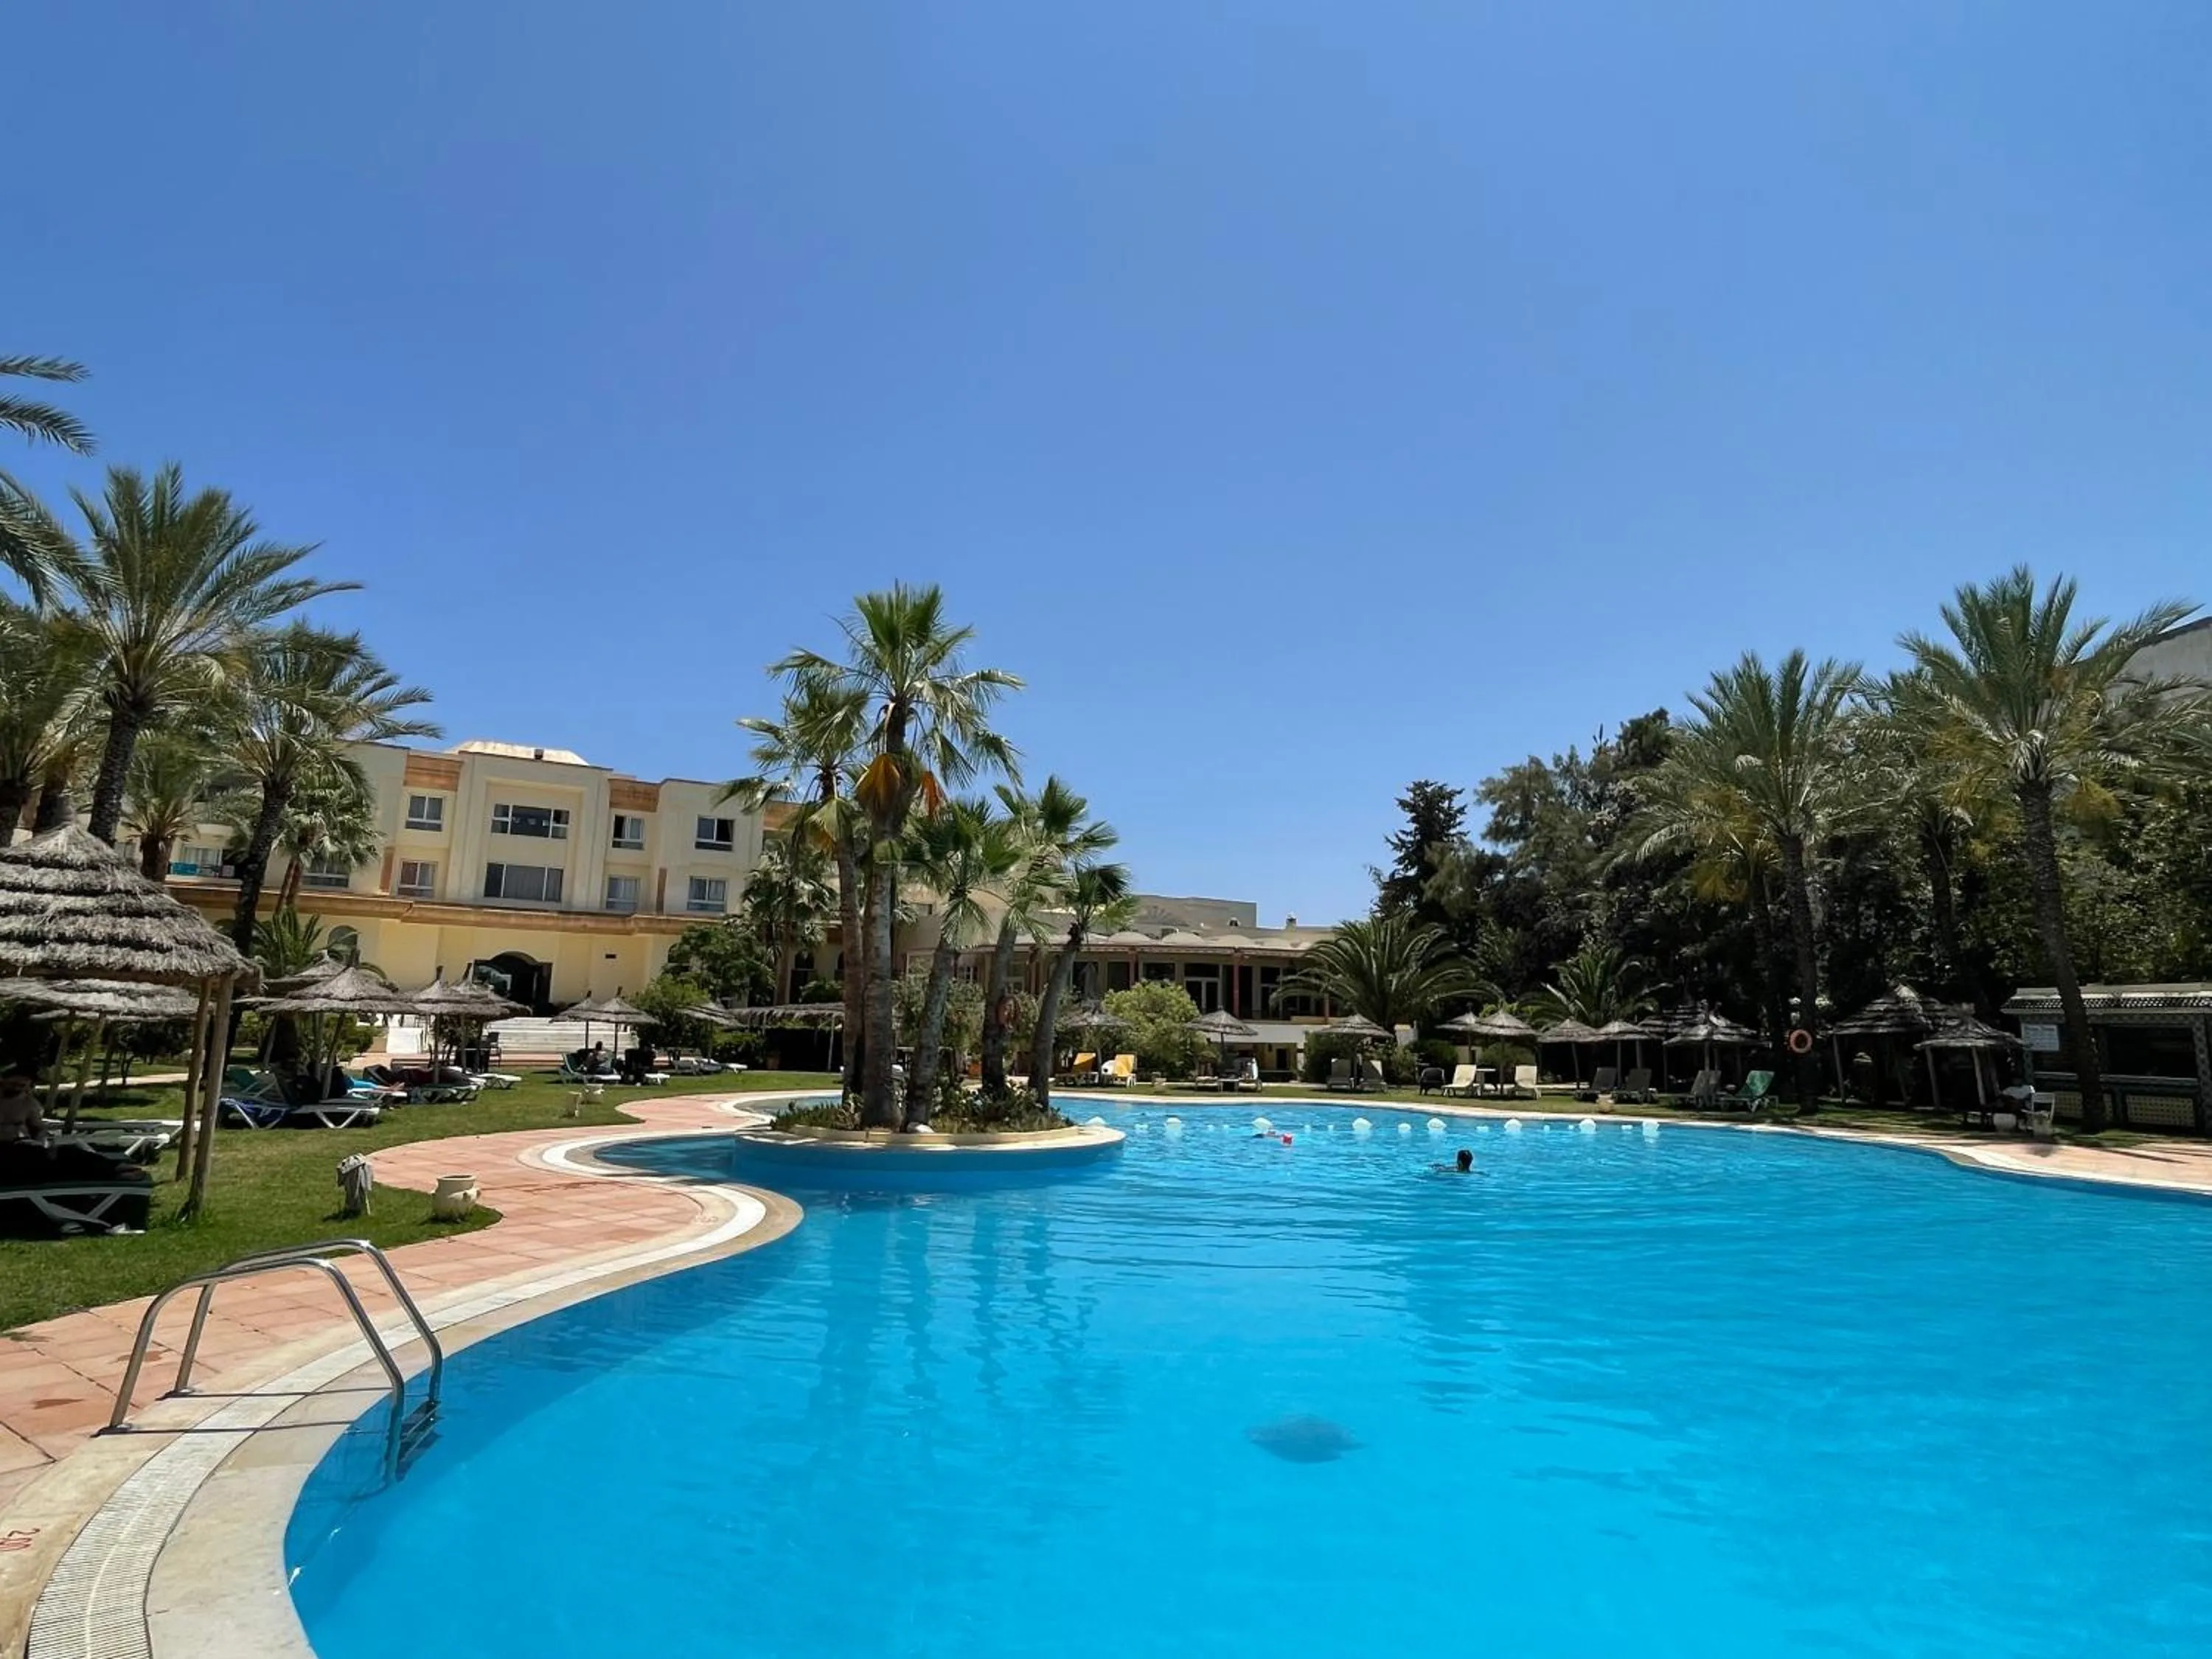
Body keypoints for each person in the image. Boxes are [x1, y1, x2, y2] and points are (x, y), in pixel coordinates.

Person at [0, 1073, 46, 1145]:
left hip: (18, 1144)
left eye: (22, 1086)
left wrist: (40, 1141)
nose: (16, 1088)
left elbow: (38, 1128)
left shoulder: (28, 1102)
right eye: (13, 1084)